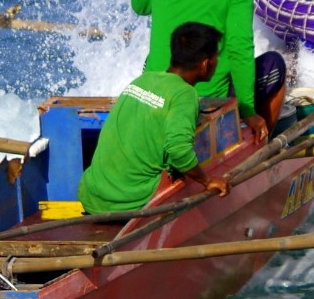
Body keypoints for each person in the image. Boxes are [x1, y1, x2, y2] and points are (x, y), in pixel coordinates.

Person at [130, 0, 287, 138]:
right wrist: (247, 110)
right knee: (275, 65)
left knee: (151, 60)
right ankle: (259, 144)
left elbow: (138, 4)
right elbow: (240, 51)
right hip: (206, 100)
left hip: (158, 94)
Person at [77, 21, 232, 215]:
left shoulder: (143, 80)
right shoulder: (184, 94)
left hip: (91, 196)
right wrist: (208, 181)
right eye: (216, 58)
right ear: (205, 63)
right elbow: (179, 151)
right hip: (128, 205)